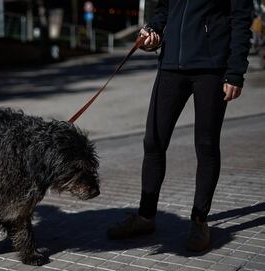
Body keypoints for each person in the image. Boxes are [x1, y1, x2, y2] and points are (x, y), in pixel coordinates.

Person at [107, 0, 253, 252]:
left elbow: (241, 19)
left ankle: (199, 221)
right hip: (170, 66)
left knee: (206, 145)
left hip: (212, 67)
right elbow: (164, 9)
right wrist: (153, 30)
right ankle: (145, 217)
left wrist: (236, 71)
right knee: (153, 141)